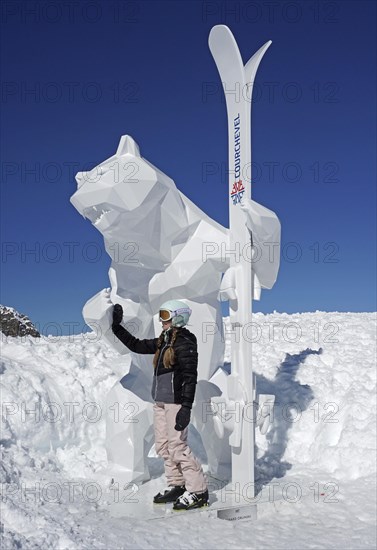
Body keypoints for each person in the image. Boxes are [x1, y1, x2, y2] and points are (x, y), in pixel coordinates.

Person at [111, 299, 209, 510]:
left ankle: (199, 491)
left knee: (178, 447)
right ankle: (178, 485)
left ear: (178, 317)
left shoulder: (185, 341)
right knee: (164, 446)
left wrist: (186, 407)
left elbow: (190, 377)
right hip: (161, 402)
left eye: (165, 315)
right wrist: (116, 327)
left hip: (176, 403)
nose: (161, 320)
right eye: (161, 315)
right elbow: (136, 345)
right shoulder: (163, 341)